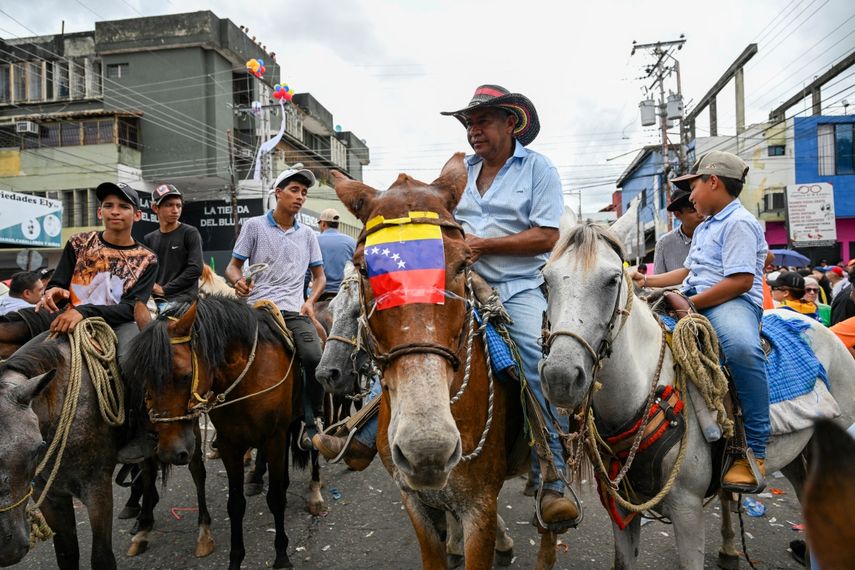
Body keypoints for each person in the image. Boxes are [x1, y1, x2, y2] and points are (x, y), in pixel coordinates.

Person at [315, 84, 579, 526]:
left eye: (483, 122)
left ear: (511, 123)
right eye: (470, 124)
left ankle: (552, 474)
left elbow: (547, 235)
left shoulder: (538, 170)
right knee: (413, 342)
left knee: (535, 362)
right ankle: (364, 428)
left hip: (517, 286)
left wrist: (484, 244)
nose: (474, 132)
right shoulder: (461, 174)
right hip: (455, 283)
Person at [632, 150, 770, 492]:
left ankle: (753, 449)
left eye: (692, 187)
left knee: (741, 350)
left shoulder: (739, 222)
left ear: (713, 181)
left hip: (730, 303)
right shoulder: (708, 225)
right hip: (695, 298)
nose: (690, 196)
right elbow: (689, 271)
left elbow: (740, 281)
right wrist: (645, 282)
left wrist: (688, 302)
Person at [32, 182, 158, 464]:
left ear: (136, 216)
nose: (115, 212)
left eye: (124, 206)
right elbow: (59, 283)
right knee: (20, 361)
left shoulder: (147, 259)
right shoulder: (78, 243)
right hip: (71, 320)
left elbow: (130, 307)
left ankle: (144, 432)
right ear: (100, 211)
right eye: (109, 205)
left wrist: (85, 311)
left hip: (118, 324)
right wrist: (54, 291)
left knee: (133, 365)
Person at [225, 165, 327, 442]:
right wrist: (238, 282)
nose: (300, 197)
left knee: (314, 357)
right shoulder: (254, 226)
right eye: (294, 190)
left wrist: (310, 301)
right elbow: (232, 267)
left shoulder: (308, 235)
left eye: (304, 192)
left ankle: (312, 419)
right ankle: (223, 420)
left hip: (293, 311)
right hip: (255, 309)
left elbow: (320, 277)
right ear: (278, 193)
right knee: (221, 354)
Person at [143, 184, 204, 308]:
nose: (175, 210)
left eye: (178, 205)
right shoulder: (149, 239)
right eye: (169, 205)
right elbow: (146, 271)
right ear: (155, 208)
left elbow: (196, 268)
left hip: (184, 301)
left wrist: (165, 290)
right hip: (155, 301)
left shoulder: (190, 233)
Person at [653, 188, 705, 274]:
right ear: (677, 214)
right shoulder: (664, 244)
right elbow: (658, 283)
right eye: (692, 210)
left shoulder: (716, 235)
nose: (700, 214)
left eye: (701, 207)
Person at [316, 208, 356, 300]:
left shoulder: (315, 241)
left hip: (320, 294)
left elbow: (307, 273)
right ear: (337, 225)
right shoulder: (352, 242)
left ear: (323, 224)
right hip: (346, 294)